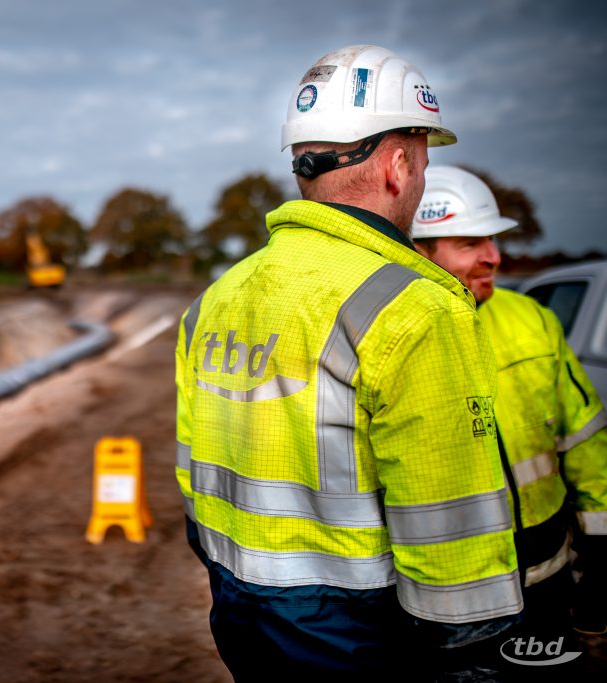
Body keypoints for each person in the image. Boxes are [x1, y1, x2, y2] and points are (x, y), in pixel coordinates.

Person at [175, 45, 523, 678]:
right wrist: (472, 655)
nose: (417, 180)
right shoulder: (416, 308)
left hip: (242, 614)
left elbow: (193, 469)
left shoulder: (217, 299)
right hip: (361, 635)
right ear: (396, 167)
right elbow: (449, 526)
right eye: (420, 163)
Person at [412, 165, 607, 648]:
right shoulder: (388, 338)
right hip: (447, 604)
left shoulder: (531, 319)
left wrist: (601, 553)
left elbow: (584, 437)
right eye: (469, 243)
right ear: (419, 251)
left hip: (549, 581)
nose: (494, 257)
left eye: (492, 241)